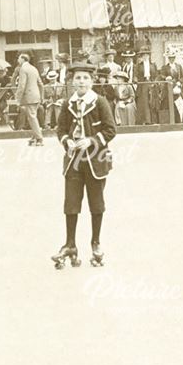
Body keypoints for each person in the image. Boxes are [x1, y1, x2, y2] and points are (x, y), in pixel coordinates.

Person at [51, 62, 117, 270]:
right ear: (72, 81)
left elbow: (110, 130)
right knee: (71, 203)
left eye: (85, 78)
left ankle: (95, 243)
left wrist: (91, 140)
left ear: (91, 81)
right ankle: (70, 244)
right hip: (73, 162)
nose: (81, 82)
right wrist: (67, 142)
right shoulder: (67, 104)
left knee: (96, 203)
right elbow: (60, 129)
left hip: (96, 160)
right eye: (78, 78)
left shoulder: (100, 102)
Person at [15, 52, 45, 147]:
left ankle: (39, 138)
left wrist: (18, 98)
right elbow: (41, 84)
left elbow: (22, 85)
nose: (17, 60)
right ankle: (34, 137)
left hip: (29, 96)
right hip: (36, 96)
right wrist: (41, 96)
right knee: (32, 117)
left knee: (32, 117)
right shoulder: (33, 68)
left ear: (23, 59)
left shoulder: (23, 69)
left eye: (19, 58)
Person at [132, 47, 160, 125]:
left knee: (152, 102)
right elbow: (135, 75)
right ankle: (146, 120)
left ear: (149, 56)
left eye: (147, 55)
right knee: (144, 102)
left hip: (151, 83)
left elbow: (157, 75)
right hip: (143, 84)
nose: (145, 56)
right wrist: (136, 80)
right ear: (142, 56)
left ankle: (153, 120)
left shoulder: (153, 64)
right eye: (143, 55)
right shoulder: (138, 65)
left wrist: (154, 82)